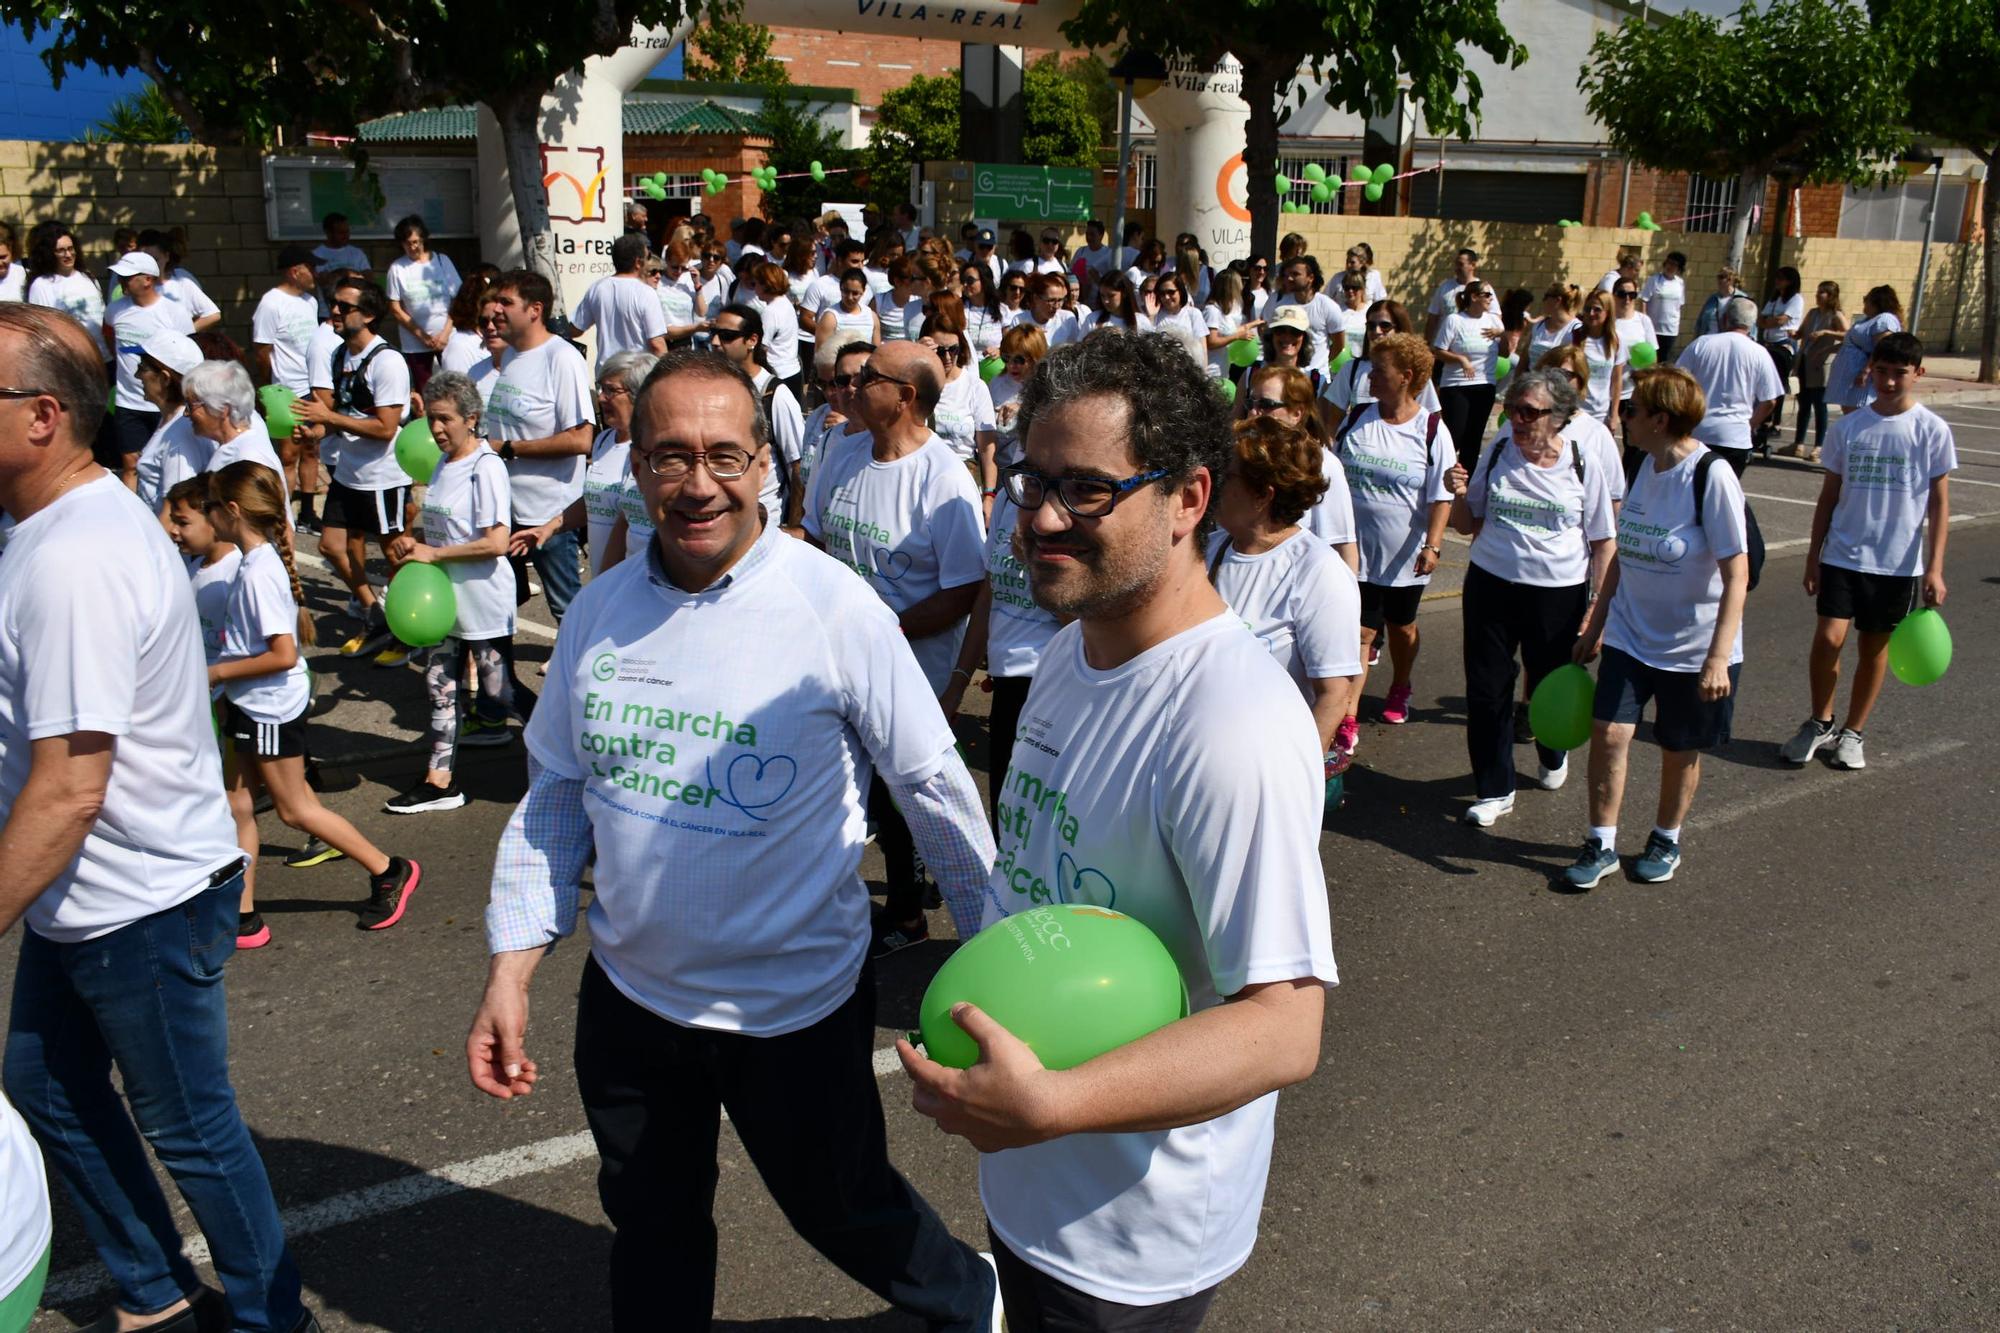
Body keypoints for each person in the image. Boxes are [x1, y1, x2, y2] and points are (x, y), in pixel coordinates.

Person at [469, 348, 1002, 1332]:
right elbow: (555, 799)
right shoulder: (598, 610)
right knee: (652, 1221)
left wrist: (1000, 959)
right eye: (670, 458)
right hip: (631, 1006)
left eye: (723, 454)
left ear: (766, 464)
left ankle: (972, 1300)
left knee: (842, 1208)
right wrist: (510, 967)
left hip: (791, 1007)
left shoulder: (833, 607)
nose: (698, 483)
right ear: (633, 469)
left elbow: (931, 790)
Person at [899, 329, 1337, 1328]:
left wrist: (1051, 1105)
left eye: (1088, 490)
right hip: (1029, 1190)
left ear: (1187, 496)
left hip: (1132, 1240)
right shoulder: (1066, 655)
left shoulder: (1232, 724)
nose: (1043, 519)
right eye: (1030, 480)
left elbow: (1284, 1027)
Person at [0, 304, 321, 1333]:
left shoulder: (72, 558)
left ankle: (274, 1320)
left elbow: (70, 786)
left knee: (189, 1125)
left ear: (43, 414)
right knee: (43, 1083)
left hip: (138, 896)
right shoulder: (55, 525)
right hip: (85, 893)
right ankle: (152, 1290)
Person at [804, 340, 985, 955]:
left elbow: (963, 589)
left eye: (868, 378)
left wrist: (885, 631)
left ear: (906, 396)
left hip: (912, 667)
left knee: (904, 795)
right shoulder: (842, 450)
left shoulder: (944, 478)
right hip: (835, 662)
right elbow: (814, 536)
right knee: (839, 782)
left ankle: (911, 913)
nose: (850, 386)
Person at [206, 460, 422, 942]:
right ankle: (243, 915)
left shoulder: (260, 572)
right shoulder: (253, 563)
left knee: (294, 810)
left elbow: (282, 655)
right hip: (249, 703)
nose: (207, 515)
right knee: (237, 803)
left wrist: (216, 672)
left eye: (211, 506)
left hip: (268, 708)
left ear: (233, 511)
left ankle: (389, 870)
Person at [1565, 367, 1749, 889]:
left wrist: (1717, 658)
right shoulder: (1645, 464)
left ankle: (1666, 835)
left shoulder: (1711, 476)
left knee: (1677, 745)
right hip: (1631, 634)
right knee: (1609, 732)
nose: (1625, 418)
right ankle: (1600, 844)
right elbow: (1625, 550)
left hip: (1694, 646)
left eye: (1633, 409)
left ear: (1659, 419)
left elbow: (1738, 572)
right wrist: (1594, 622)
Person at [1447, 369, 1616, 827]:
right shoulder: (1499, 449)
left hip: (1557, 594)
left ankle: (1552, 748)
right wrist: (1459, 492)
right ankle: (1494, 788)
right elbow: (1466, 523)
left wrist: (1597, 609)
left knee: (1548, 686)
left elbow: (1603, 542)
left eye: (1528, 412)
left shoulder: (1583, 462)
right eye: (1511, 409)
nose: (1516, 419)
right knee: (1486, 690)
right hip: (1490, 583)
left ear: (1558, 417)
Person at [1780, 332, 1953, 772]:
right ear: (1869, 370)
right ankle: (1821, 721)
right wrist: (1812, 554)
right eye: (1882, 372)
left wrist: (1934, 568)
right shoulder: (1850, 427)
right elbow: (1828, 497)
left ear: (1918, 373)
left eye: (1899, 373)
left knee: (1874, 648)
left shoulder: (1931, 430)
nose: (1889, 382)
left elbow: (1939, 502)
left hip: (1896, 563)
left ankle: (1854, 732)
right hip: (1842, 554)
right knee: (1828, 638)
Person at [383, 372, 518, 810]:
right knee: (439, 687)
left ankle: (570, 761)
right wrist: (412, 543)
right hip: (441, 602)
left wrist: (433, 555)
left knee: (502, 694)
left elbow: (496, 543)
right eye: (431, 420)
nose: (436, 429)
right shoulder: (442, 463)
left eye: (445, 420)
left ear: (471, 419)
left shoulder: (486, 467)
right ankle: (439, 782)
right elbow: (441, 530)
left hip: (482, 602)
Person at [1210, 414, 1364, 785]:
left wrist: (1295, 783)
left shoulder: (1319, 572)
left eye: (1225, 475)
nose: (1212, 482)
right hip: (1200, 757)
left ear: (1263, 494)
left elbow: (1333, 695)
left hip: (1264, 768)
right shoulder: (1209, 548)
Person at [292, 279, 413, 661]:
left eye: (345, 306)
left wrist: (328, 417)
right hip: (348, 473)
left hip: (382, 477)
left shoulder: (388, 361)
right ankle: (374, 614)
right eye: (334, 304)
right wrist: (314, 429)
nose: (336, 312)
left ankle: (408, 631)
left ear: (370, 314)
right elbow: (340, 417)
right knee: (330, 546)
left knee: (395, 556)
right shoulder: (340, 355)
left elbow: (385, 428)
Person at [1334, 333, 1452, 726]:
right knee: (1362, 635)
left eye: (1379, 370)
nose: (1369, 376)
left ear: (1406, 376)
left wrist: (1433, 547)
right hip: (1354, 554)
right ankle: (1346, 721)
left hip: (1405, 557)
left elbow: (1441, 496)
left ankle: (1401, 683)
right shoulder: (1357, 417)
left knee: (1401, 630)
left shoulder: (1432, 430)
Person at [484, 270, 596, 652]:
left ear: (535, 310)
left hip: (549, 513)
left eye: (505, 303)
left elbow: (582, 437)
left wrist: (509, 448)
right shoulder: (512, 354)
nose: (496, 310)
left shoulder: (560, 358)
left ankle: (581, 678)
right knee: (497, 599)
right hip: (504, 508)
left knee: (567, 608)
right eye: (496, 300)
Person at [1245, 366, 1358, 576]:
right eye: (1251, 403)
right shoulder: (1242, 459)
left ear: (1297, 413)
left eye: (1266, 405)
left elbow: (1343, 545)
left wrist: (1350, 601)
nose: (1254, 412)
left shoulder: (1324, 466)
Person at [102, 251, 195, 487]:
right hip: (128, 402)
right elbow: (110, 338)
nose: (122, 281)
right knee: (131, 464)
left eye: (128, 276)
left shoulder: (175, 312)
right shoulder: (115, 310)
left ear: (148, 279)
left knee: (168, 461)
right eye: (120, 277)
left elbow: (186, 356)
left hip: (166, 402)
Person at [710, 303, 806, 528]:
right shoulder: (714, 388)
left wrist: (793, 526)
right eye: (713, 334)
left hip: (764, 522)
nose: (715, 342)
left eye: (726, 336)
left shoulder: (775, 395)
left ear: (752, 340)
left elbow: (798, 465)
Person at [1671, 297, 1783, 477]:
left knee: (1690, 495)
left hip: (1699, 432)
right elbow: (1769, 400)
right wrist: (1751, 424)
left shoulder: (1701, 344)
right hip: (1736, 437)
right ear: (1752, 325)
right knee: (1724, 496)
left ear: (1724, 319)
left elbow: (1675, 383)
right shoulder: (1759, 353)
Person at [577, 350, 656, 574]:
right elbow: (593, 501)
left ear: (639, 395)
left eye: (611, 390)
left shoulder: (657, 453)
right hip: (606, 577)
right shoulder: (603, 440)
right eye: (601, 388)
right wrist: (551, 526)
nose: (601, 397)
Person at [1318, 299, 1442, 420]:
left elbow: (1432, 420)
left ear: (1399, 330)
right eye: (1371, 326)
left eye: (1385, 326)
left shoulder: (1415, 372)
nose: (1376, 331)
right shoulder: (1351, 369)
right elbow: (1333, 421)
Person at [133, 331, 212, 515]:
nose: (137, 375)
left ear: (164, 378)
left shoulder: (179, 436)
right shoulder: (171, 421)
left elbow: (177, 509)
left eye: (142, 368)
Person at [1432, 280, 1506, 469]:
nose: (1491, 299)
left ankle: (1466, 484)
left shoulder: (1493, 321)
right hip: (1457, 386)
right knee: (1455, 434)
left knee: (1473, 438)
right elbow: (1438, 350)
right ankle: (1441, 474)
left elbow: (1505, 352)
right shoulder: (1455, 320)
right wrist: (1461, 360)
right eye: (1487, 295)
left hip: (1485, 384)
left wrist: (1502, 334)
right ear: (1474, 297)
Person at [382, 215, 461, 391]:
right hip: (415, 341)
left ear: (423, 239)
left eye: (416, 242)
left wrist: (446, 333)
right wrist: (422, 336)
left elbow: (457, 298)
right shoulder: (397, 268)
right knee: (424, 388)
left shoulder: (442, 261)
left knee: (454, 386)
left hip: (447, 335)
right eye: (407, 243)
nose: (412, 247)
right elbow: (395, 308)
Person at [570, 233, 670, 369]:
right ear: (638, 262)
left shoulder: (597, 288)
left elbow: (575, 329)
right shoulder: (646, 293)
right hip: (636, 376)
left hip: (606, 373)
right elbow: (657, 343)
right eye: (647, 258)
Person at [920, 315, 998, 486]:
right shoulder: (915, 384)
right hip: (922, 476)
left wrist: (989, 494)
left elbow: (986, 448)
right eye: (940, 351)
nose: (947, 357)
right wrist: (916, 357)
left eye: (953, 349)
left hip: (962, 478)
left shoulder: (975, 386)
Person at [1787, 280, 1848, 462]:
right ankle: (1798, 444)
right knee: (1803, 403)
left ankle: (1819, 447)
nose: (1818, 295)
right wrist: (1795, 334)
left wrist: (1826, 333)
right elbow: (1802, 332)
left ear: (1830, 296)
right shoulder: (1813, 313)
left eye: (1822, 292)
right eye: (1818, 291)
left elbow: (1848, 334)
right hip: (1805, 361)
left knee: (1819, 405)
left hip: (1821, 365)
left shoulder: (1836, 315)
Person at [25, 222, 107, 357]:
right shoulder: (41, 285)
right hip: (74, 361)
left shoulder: (88, 276)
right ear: (49, 254)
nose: (68, 254)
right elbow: (43, 331)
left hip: (104, 357)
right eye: (60, 250)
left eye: (70, 248)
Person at [252, 245, 321, 400]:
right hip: (289, 393)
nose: (316, 274)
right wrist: (270, 387)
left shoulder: (310, 301)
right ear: (295, 272)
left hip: (314, 385)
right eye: (311, 269)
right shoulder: (271, 303)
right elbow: (262, 352)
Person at [1826, 285, 1904, 413]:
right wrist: (1825, 350)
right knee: (1848, 411)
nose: (1864, 303)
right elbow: (1850, 342)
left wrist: (1865, 371)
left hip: (1862, 376)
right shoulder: (1866, 320)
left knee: (1858, 412)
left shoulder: (1884, 319)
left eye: (1866, 299)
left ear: (1876, 302)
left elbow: (1881, 348)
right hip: (1849, 376)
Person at [1753, 265, 1805, 452]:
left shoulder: (1795, 299)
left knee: (1778, 383)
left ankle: (1776, 422)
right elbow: (1761, 319)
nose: (1777, 282)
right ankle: (1763, 418)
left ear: (1790, 281)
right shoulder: (1775, 299)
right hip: (1769, 343)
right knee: (1763, 382)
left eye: (1781, 279)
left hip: (1783, 345)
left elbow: (1782, 320)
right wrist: (1768, 322)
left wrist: (1769, 322)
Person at [139, 229, 222, 335]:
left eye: (155, 260)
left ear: (166, 256)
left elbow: (212, 314)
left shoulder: (182, 281)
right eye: (144, 260)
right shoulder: (131, 286)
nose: (149, 266)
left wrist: (182, 334)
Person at [1272, 254, 1343, 376]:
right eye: (1287, 275)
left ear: (1310, 278)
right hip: (1285, 375)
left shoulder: (1328, 306)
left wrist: (1320, 363)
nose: (1289, 278)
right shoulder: (1277, 302)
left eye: (1295, 274)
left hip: (1317, 379)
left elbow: (1339, 344)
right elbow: (1267, 331)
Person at [989, 323, 1046, 467]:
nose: (1011, 365)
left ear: (1035, 358)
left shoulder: (1045, 385)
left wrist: (1023, 407)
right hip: (997, 463)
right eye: (1006, 358)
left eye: (1019, 360)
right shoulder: (997, 383)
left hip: (1029, 466)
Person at [1572, 288, 1623, 434]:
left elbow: (1616, 380)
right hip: (1575, 411)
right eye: (1588, 309)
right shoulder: (1573, 337)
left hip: (1601, 414)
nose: (1591, 314)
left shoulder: (1616, 341)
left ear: (1608, 312)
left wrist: (1614, 414)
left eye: (1597, 309)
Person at [748, 260, 804, 393]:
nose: (754, 289)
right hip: (793, 371)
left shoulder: (770, 311)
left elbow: (762, 347)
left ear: (766, 284)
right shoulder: (786, 302)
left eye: (755, 284)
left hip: (778, 374)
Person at [1202, 268, 1262, 378]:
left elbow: (1231, 331)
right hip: (1211, 372)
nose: (1241, 287)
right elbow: (1211, 342)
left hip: (1223, 369)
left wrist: (1254, 323)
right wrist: (1237, 336)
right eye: (1239, 284)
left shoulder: (1224, 310)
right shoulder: (1212, 311)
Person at [1010, 272, 1082, 348]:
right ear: (1036, 298)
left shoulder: (1067, 318)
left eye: (1060, 300)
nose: (1056, 306)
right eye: (1051, 300)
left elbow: (1075, 350)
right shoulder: (1019, 320)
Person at [1424, 247, 1480, 343]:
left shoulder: (1483, 289)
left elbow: (1495, 316)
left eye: (1461, 264)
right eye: (1456, 264)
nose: (1456, 268)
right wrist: (1426, 344)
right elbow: (1433, 317)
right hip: (1444, 347)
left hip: (1471, 345)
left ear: (1473, 265)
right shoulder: (1445, 287)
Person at [1640, 252, 1687, 362]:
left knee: (1664, 359)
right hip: (1653, 328)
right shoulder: (1654, 280)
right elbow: (1644, 300)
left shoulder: (1680, 283)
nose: (1670, 267)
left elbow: (1679, 305)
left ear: (1679, 268)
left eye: (1674, 265)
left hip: (1670, 329)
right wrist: (1644, 320)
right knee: (1651, 358)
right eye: (1669, 263)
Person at [1526, 284, 1582, 370]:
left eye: (1546, 297)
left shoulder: (1575, 329)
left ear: (1557, 300)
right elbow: (1523, 360)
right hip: (1532, 380)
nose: (1543, 300)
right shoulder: (1538, 326)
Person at [1692, 266, 1746, 340]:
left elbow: (1748, 323)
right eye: (1718, 277)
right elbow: (1700, 322)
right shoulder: (1712, 299)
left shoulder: (1741, 298)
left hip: (1728, 342)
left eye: (1721, 277)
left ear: (1730, 280)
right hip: (1708, 340)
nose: (1718, 280)